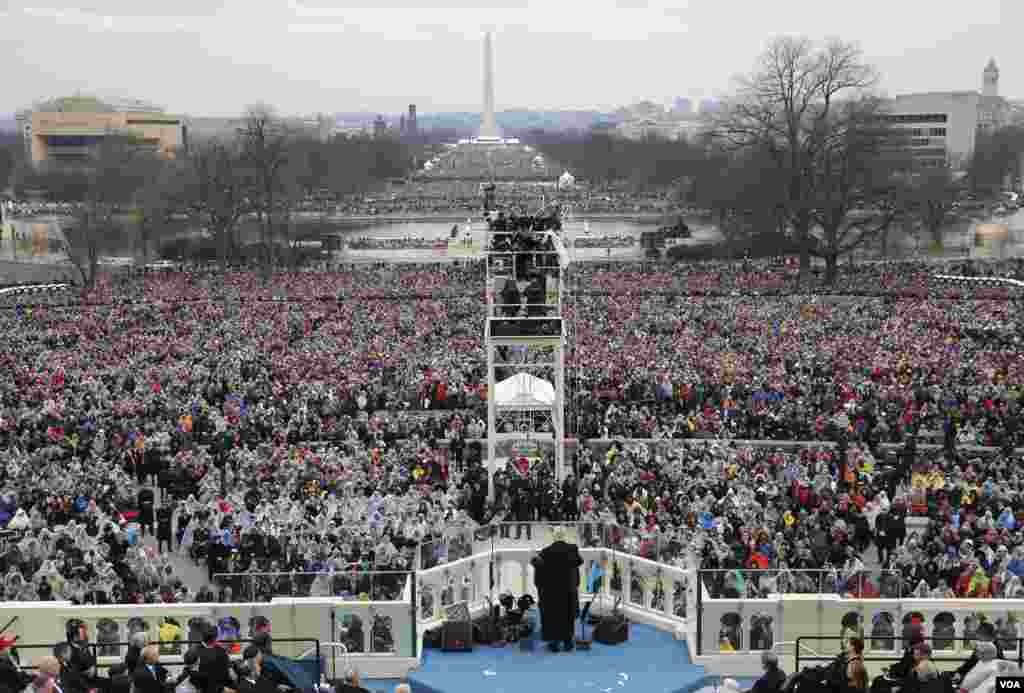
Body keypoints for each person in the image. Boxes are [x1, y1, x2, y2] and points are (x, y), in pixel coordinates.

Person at [532, 528, 583, 653]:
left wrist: (534, 562)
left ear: (554, 537)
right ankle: (568, 642)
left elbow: (540, 574)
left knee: (553, 616)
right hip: (568, 590)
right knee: (568, 616)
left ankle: (554, 643)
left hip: (552, 592)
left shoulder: (545, 552)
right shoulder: (573, 549)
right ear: (564, 536)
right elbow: (576, 567)